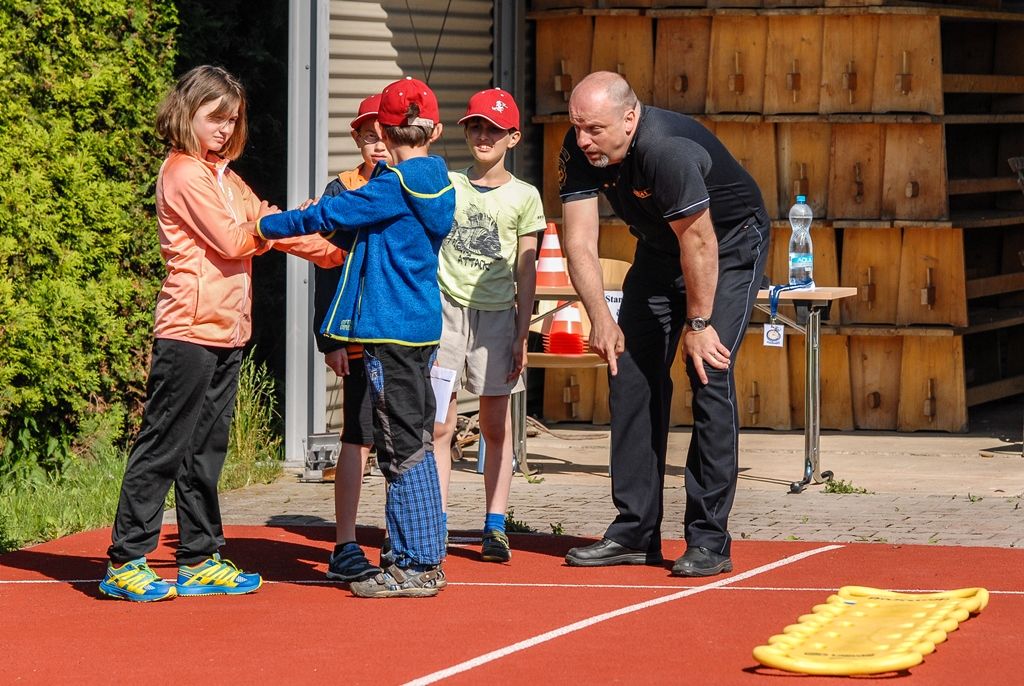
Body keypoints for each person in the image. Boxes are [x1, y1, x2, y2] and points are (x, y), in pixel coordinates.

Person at [100, 65, 343, 602]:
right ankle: (125, 560)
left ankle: (200, 559)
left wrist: (333, 253)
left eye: (232, 120)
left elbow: (266, 220)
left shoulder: (226, 178)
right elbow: (236, 240)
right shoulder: (184, 174)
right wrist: (277, 227)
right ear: (188, 114)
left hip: (228, 333)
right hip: (187, 331)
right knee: (164, 444)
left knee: (205, 451)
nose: (225, 129)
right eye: (215, 118)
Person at [559, 71, 770, 577]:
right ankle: (634, 532)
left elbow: (700, 242)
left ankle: (709, 541)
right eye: (577, 127)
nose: (583, 139)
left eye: (594, 129)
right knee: (628, 372)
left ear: (630, 119)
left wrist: (699, 324)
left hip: (727, 246)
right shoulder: (581, 146)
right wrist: (601, 318)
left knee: (708, 371)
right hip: (659, 250)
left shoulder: (666, 150)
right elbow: (579, 241)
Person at [251, 77, 455, 598]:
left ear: (384, 130)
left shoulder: (389, 185)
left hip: (387, 330)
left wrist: (267, 225)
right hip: (421, 328)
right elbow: (356, 229)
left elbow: (329, 214)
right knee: (415, 441)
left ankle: (414, 564)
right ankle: (421, 556)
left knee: (397, 449)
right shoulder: (440, 181)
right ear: (434, 130)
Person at [432, 89, 545, 563]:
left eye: (494, 130)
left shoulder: (525, 196)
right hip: (446, 314)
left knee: (495, 426)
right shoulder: (448, 184)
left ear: (513, 138)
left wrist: (522, 333)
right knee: (440, 425)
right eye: (475, 126)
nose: (483, 136)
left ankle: (495, 524)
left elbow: (526, 268)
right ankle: (434, 522)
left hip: (498, 317)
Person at [311, 94, 392, 583]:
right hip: (358, 336)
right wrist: (330, 339)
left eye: (384, 136)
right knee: (357, 439)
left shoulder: (412, 184)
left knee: (407, 442)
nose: (377, 145)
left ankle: (404, 538)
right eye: (368, 136)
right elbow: (327, 268)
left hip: (403, 336)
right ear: (357, 139)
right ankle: (345, 543)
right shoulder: (340, 189)